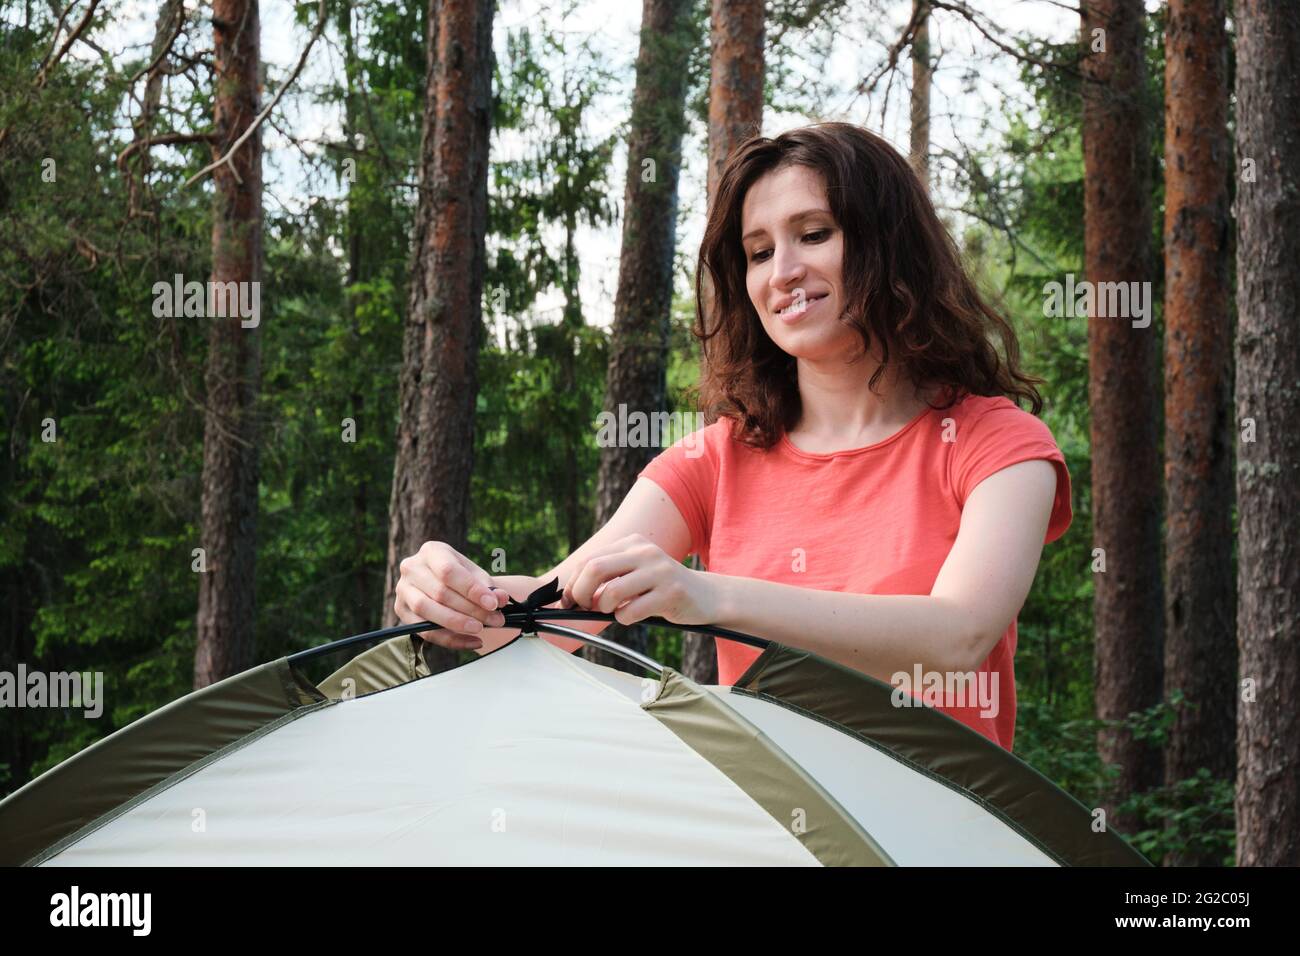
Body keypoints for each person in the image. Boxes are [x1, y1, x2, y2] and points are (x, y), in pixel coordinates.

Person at [393, 122, 1070, 751]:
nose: (782, 273)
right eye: (759, 251)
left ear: (890, 243)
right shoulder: (712, 458)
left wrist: (710, 598)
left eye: (815, 233)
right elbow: (561, 613)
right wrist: (462, 599)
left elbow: (958, 636)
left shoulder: (999, 444)